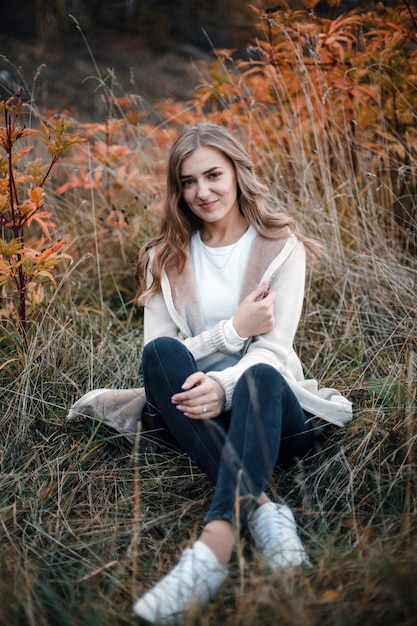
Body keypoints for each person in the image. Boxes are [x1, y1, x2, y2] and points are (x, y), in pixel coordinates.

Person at [68, 122, 352, 624]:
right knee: (159, 354)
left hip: (266, 416)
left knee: (262, 377)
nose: (203, 192)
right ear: (177, 189)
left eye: (213, 175)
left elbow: (275, 352)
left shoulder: (281, 246)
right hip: (185, 411)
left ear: (238, 173)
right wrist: (231, 331)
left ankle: (213, 548)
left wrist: (224, 386)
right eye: (188, 181)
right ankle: (264, 511)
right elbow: (162, 357)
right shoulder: (164, 256)